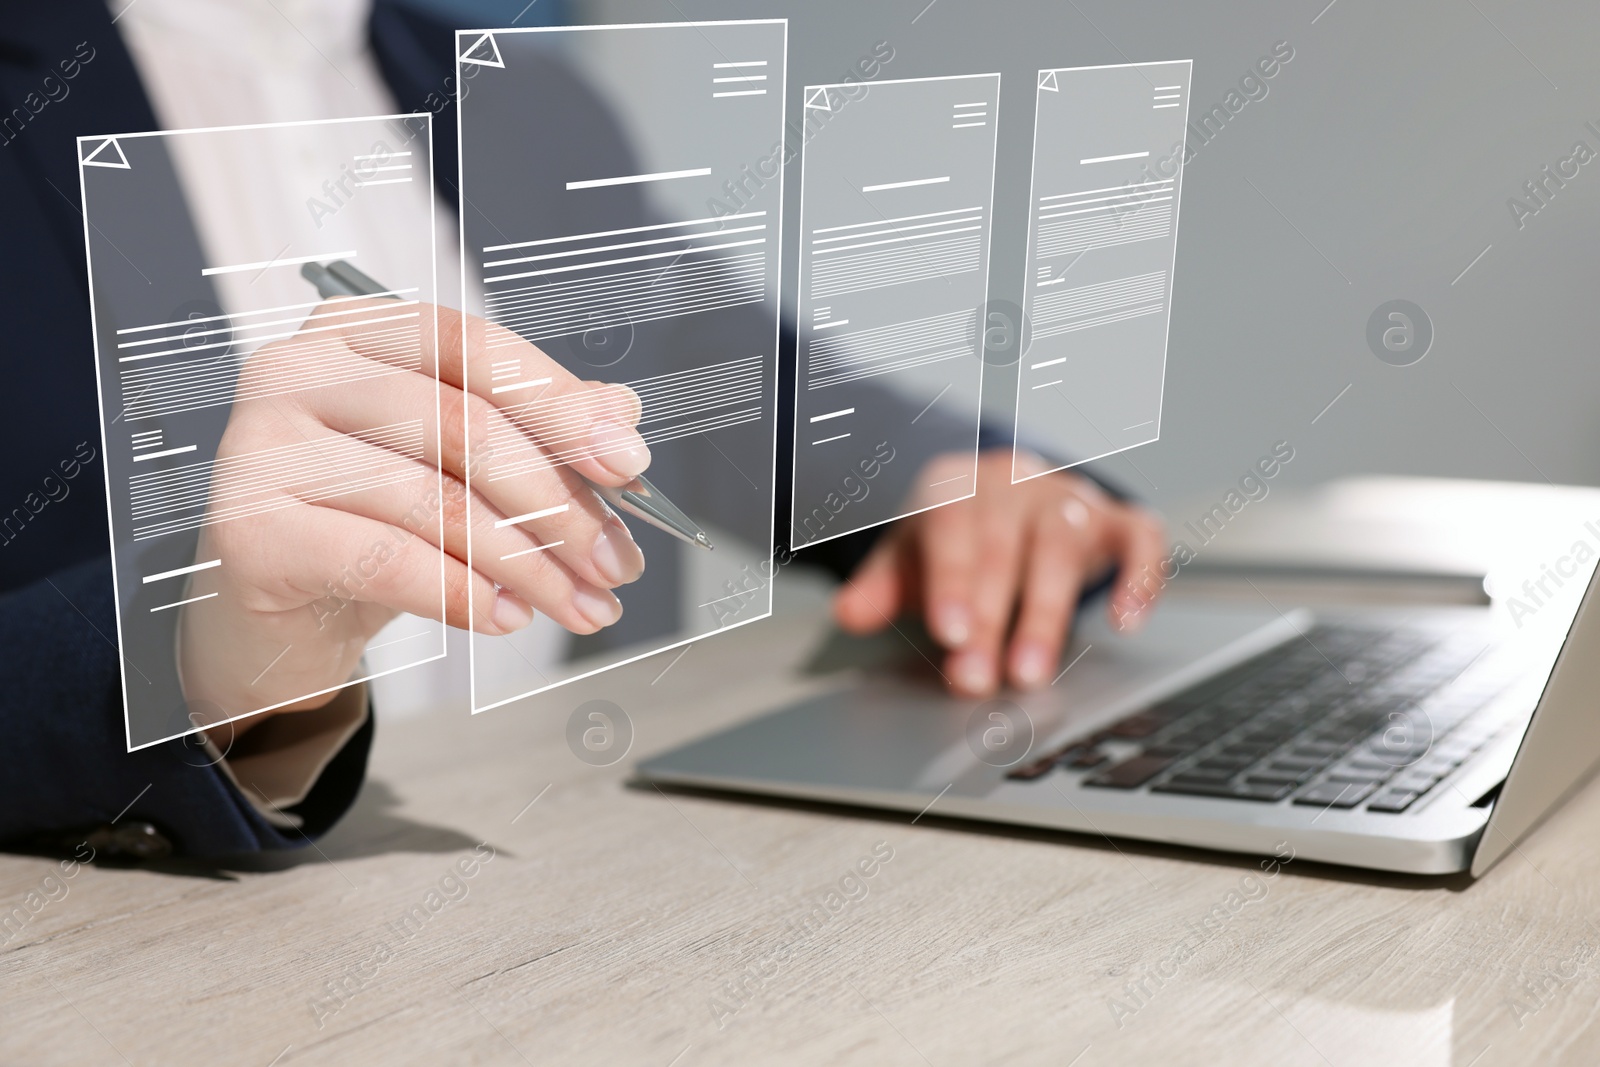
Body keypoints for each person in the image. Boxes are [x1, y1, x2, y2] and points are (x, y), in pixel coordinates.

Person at [0, 0, 1165, 857]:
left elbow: (745, 378)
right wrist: (196, 653)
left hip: (572, 887)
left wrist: (963, 485)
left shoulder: (522, 99)